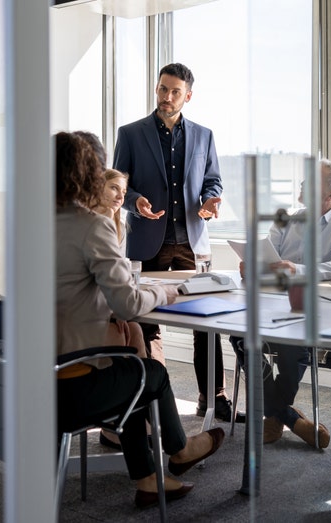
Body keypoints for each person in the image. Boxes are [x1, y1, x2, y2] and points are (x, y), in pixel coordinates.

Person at [54, 131, 225, 509]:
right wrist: (165, 293)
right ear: (87, 173)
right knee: (152, 373)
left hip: (29, 381)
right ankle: (179, 451)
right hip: (71, 389)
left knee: (130, 359)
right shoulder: (90, 226)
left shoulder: (31, 224)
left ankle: (149, 479)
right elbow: (130, 303)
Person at [111, 63, 241, 423]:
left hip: (191, 242)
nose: (167, 98)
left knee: (206, 321)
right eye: (162, 89)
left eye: (175, 92)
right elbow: (117, 186)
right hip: (147, 241)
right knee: (147, 321)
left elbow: (213, 182)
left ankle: (213, 397)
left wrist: (211, 200)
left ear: (188, 96)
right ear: (156, 88)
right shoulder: (131, 133)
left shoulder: (204, 135)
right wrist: (133, 199)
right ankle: (155, 400)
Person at [231, 159, 331, 448]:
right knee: (239, 334)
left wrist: (298, 270)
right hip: (273, 301)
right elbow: (268, 254)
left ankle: (275, 416)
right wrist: (252, 263)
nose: (303, 183)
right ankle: (285, 415)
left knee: (292, 344)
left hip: (312, 308)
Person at [92, 168, 129, 254]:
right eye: (114, 188)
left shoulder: (121, 229)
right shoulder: (80, 221)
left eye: (124, 192)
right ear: (98, 187)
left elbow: (117, 264)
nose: (120, 197)